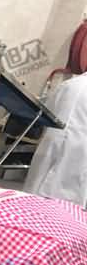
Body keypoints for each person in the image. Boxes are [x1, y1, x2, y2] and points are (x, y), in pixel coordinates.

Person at [23, 72, 87, 208]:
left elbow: (46, 113)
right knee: (66, 210)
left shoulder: (68, 85)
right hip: (78, 159)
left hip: (51, 152)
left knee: (33, 202)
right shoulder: (70, 85)